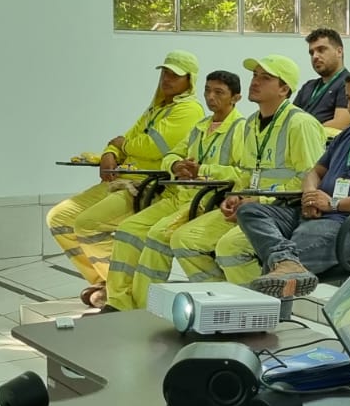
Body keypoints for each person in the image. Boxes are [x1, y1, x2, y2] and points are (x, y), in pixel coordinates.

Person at [241, 68, 350, 298]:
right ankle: (286, 261)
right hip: (318, 215)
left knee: (281, 265)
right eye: (349, 97)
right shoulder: (348, 134)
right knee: (250, 211)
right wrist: (309, 195)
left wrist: (333, 204)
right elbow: (314, 172)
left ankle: (271, 314)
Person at [47, 51, 204, 307]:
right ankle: (103, 282)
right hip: (120, 178)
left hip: (144, 186)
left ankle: (120, 291)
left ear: (190, 80)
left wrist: (121, 145)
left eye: (175, 75)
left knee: (88, 223)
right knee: (59, 217)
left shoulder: (189, 110)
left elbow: (153, 147)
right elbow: (124, 140)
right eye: (165, 73)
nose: (167, 79)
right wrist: (110, 152)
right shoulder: (157, 108)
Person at [169, 56, 325, 286]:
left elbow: (311, 178)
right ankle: (221, 301)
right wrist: (235, 196)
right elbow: (246, 172)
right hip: (250, 205)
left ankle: (261, 309)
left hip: (280, 210)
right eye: (254, 75)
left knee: (229, 248)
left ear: (284, 88)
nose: (255, 82)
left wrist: (258, 198)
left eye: (265, 77)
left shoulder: (300, 123)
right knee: (183, 239)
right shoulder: (252, 123)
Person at [102, 71, 245, 312]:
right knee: (129, 229)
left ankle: (144, 309)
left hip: (203, 201)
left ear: (236, 98)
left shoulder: (241, 129)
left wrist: (204, 170)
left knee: (158, 236)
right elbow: (170, 155)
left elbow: (242, 172)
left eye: (219, 92)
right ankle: (117, 302)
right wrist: (176, 165)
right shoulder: (200, 127)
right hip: (179, 196)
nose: (211, 97)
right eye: (208, 90)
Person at [293, 27, 350, 133]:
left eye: (321, 50)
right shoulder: (308, 87)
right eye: (311, 53)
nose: (315, 56)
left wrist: (303, 134)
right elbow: (291, 120)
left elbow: (340, 124)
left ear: (339, 52)